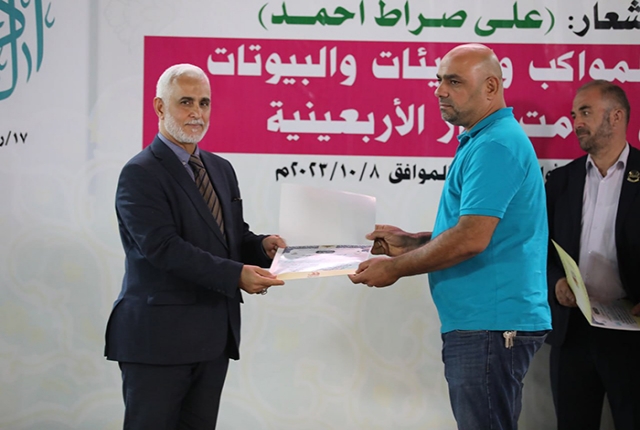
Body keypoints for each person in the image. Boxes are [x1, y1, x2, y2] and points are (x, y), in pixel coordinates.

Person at [349, 43, 551, 429]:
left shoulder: (496, 144)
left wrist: (395, 269)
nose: (439, 90)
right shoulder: (486, 139)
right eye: (439, 80)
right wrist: (412, 242)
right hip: (484, 323)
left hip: (491, 324)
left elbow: (471, 239)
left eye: (454, 82)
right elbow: (477, 231)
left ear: (491, 87)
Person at [104, 63, 285, 429]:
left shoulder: (221, 169)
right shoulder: (140, 173)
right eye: (185, 102)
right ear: (160, 107)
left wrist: (261, 247)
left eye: (204, 103)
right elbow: (164, 248)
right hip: (157, 342)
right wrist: (235, 275)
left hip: (212, 339)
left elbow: (229, 237)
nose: (197, 113)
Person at [545, 80, 640, 430]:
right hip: (573, 333)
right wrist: (557, 282)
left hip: (632, 333)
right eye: (574, 115)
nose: (576, 122)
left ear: (616, 117)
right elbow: (541, 249)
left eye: (585, 112)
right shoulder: (561, 181)